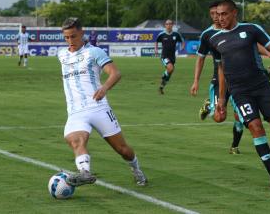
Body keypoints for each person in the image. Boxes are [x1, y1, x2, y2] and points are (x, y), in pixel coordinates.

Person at [57, 17, 147, 187]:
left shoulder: (94, 52)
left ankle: (136, 168)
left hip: (98, 108)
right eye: (66, 37)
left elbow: (115, 73)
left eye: (73, 36)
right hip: (76, 112)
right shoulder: (61, 55)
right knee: (76, 141)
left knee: (123, 150)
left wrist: (104, 88)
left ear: (82, 33)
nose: (70, 41)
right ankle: (85, 172)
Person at [211, 0, 270, 191]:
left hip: (262, 86)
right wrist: (222, 99)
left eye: (224, 14)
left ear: (234, 13)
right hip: (240, 92)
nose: (219, 18)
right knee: (256, 127)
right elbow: (221, 70)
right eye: (217, 15)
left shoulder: (252, 29)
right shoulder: (214, 39)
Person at [190, 1, 244, 154]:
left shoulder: (235, 30)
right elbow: (200, 58)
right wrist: (196, 81)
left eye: (219, 14)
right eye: (213, 14)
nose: (216, 17)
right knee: (219, 118)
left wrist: (267, 53)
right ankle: (209, 105)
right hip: (219, 80)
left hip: (237, 81)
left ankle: (234, 146)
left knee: (240, 115)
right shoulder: (207, 35)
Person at [155, 19, 185, 94]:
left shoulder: (176, 34)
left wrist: (182, 47)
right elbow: (156, 41)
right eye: (167, 24)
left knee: (170, 72)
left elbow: (182, 41)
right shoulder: (161, 34)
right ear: (165, 25)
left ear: (172, 25)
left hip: (172, 57)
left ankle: (161, 87)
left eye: (170, 24)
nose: (169, 25)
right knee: (170, 68)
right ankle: (163, 75)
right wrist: (156, 49)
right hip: (164, 56)